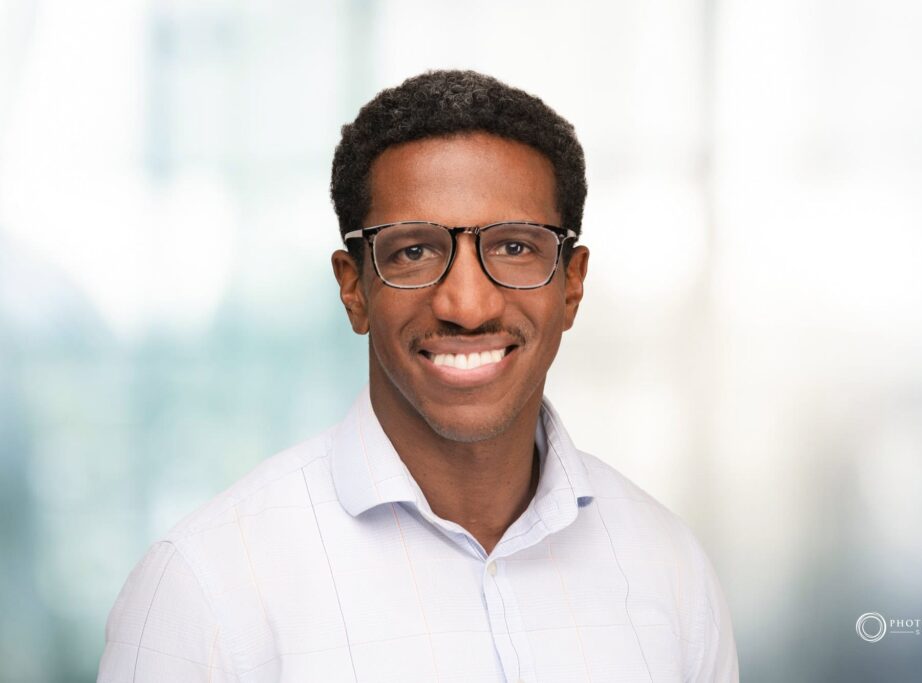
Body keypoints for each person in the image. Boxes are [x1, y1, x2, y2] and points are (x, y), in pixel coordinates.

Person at [98, 70, 739, 682]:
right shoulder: (207, 588)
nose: (467, 306)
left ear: (572, 286)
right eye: (414, 251)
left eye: (515, 247)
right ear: (354, 291)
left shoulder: (667, 567)